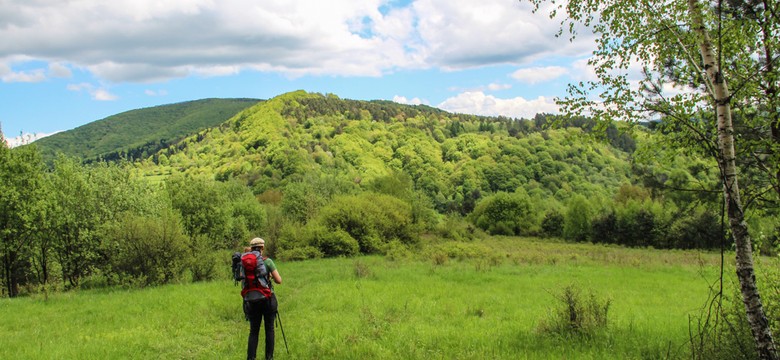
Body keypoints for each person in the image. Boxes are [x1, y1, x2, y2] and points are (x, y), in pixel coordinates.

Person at [243, 237, 282, 360]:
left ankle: (251, 358)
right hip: (267, 299)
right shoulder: (267, 261)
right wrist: (268, 275)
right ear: (262, 248)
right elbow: (279, 280)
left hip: (251, 301)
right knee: (269, 329)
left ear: (251, 248)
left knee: (253, 331)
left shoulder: (244, 262)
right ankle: (269, 358)